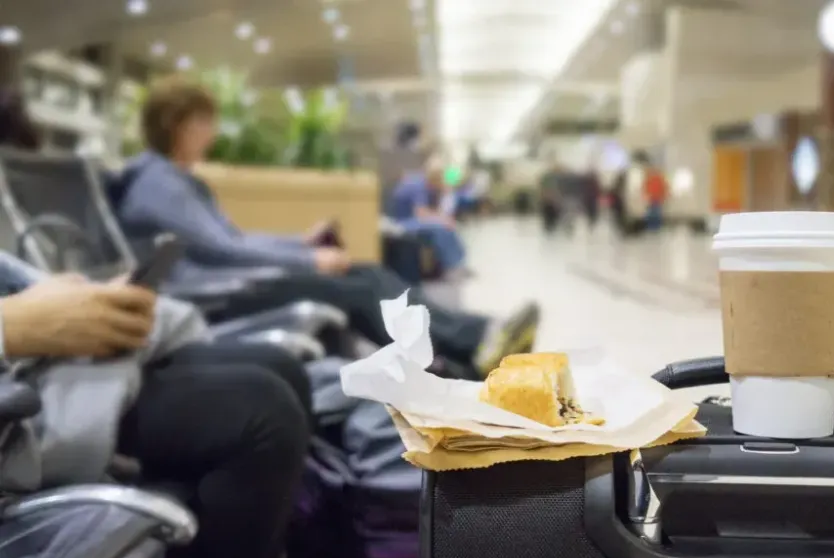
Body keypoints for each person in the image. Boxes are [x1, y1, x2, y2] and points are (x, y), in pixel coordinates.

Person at [117, 78, 538, 376]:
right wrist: (309, 258)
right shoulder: (159, 184)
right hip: (221, 292)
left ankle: (473, 340)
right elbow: (224, 251)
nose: (211, 134)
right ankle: (472, 347)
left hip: (236, 278)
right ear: (179, 125)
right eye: (204, 123)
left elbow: (231, 240)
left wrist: (299, 244)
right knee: (354, 289)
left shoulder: (172, 179)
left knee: (367, 273)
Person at [0, 264, 311, 558]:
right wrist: (12, 324)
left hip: (25, 361)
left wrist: (70, 293)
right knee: (260, 415)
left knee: (277, 368)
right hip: (16, 384)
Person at [388, 155, 468, 273]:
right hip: (403, 222)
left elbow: (434, 211)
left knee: (448, 227)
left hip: (413, 220)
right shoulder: (417, 184)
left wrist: (444, 218)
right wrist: (442, 220)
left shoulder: (427, 185)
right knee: (440, 228)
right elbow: (421, 212)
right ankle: (452, 266)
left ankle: (458, 264)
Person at [538, 159, 564, 234]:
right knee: (549, 222)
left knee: (553, 222)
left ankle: (551, 232)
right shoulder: (549, 178)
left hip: (553, 203)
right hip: (548, 202)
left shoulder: (558, 179)